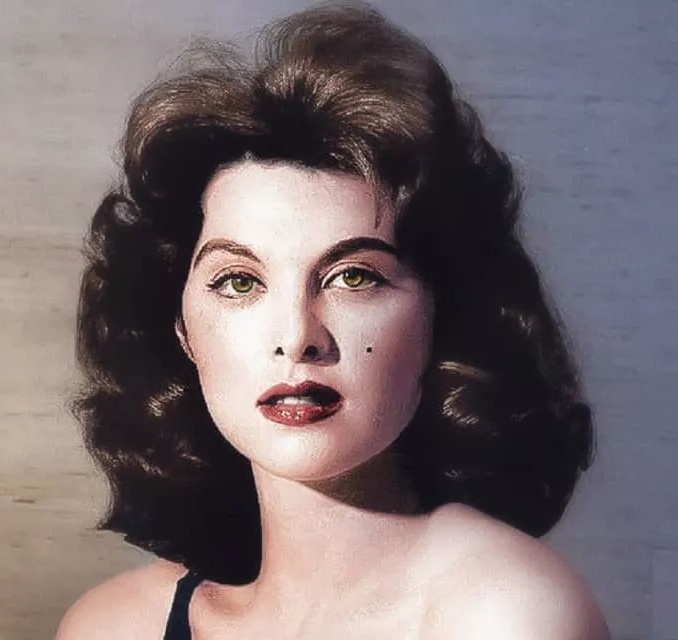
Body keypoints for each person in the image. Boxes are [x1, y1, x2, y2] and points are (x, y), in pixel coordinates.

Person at [57, 3, 609, 638]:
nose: (297, 337)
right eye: (239, 282)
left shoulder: (509, 613)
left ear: (439, 311)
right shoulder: (116, 625)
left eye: (354, 277)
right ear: (181, 328)